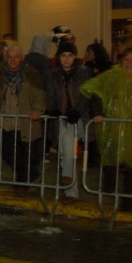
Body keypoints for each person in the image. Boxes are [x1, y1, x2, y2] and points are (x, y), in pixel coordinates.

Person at [0, 46, 47, 196]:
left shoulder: (31, 74)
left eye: (16, 57)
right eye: (9, 57)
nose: (12, 60)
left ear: (22, 58)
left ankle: (23, 184)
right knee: (8, 153)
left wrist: (37, 110)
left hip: (25, 123)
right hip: (4, 122)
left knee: (25, 156)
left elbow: (39, 94)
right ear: (5, 58)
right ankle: (30, 177)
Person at [80, 46, 132, 211]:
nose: (129, 63)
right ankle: (110, 190)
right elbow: (96, 95)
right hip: (113, 128)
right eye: (126, 59)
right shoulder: (110, 77)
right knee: (111, 160)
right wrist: (97, 113)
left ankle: (128, 201)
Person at [45, 42, 92, 204]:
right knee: (66, 150)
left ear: (75, 57)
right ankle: (71, 191)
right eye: (63, 55)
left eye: (70, 55)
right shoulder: (52, 74)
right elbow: (50, 95)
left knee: (66, 143)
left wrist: (77, 111)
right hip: (62, 117)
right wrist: (52, 109)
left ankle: (68, 180)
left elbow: (86, 95)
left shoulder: (84, 73)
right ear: (59, 57)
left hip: (79, 117)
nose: (66, 59)